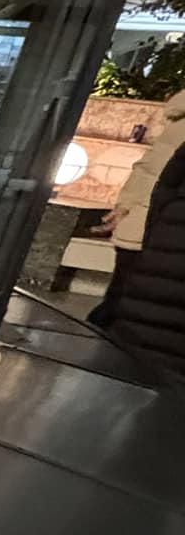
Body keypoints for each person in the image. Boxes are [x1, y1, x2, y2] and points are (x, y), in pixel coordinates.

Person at [91, 88, 185, 370]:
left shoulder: (178, 121)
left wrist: (125, 206)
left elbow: (148, 170)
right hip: (158, 235)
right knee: (132, 310)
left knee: (123, 304)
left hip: (144, 229)